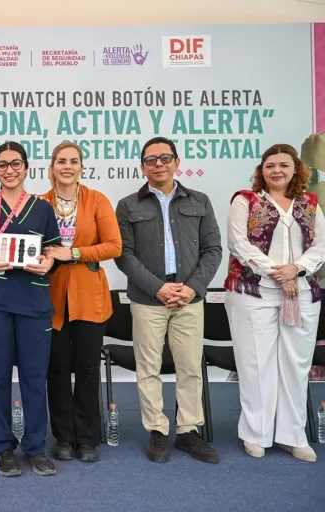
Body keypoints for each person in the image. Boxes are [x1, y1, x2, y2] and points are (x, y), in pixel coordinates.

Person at [114, 136, 222, 464]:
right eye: (151, 159)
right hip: (148, 299)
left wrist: (192, 288)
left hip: (189, 299)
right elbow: (124, 255)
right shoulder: (128, 205)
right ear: (142, 167)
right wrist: (158, 288)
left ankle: (188, 431)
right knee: (148, 367)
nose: (158, 164)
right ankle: (157, 430)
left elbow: (213, 249)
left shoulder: (200, 201)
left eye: (164, 157)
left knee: (190, 366)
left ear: (177, 162)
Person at [0, 141, 61, 477]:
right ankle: (4, 447)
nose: (9, 170)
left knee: (34, 377)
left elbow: (53, 252)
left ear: (26, 167)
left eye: (15, 163)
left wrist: (47, 263)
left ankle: (35, 448)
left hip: (33, 303)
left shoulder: (42, 208)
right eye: (3, 164)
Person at [224, 143, 323, 463]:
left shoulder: (309, 203)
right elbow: (238, 243)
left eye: (283, 165)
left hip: (301, 291)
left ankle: (294, 436)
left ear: (296, 169)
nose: (276, 170)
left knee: (296, 366)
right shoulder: (245, 200)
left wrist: (297, 269)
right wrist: (277, 272)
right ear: (261, 170)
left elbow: (321, 245)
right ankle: (256, 434)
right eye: (270, 166)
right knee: (256, 365)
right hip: (253, 291)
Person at [39, 142, 122, 463]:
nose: (67, 166)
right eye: (61, 161)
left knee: (88, 369)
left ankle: (87, 437)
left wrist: (72, 253)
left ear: (81, 167)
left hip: (89, 296)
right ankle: (63, 436)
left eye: (73, 161)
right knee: (57, 368)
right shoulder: (39, 203)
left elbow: (113, 245)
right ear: (52, 167)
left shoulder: (97, 200)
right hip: (50, 297)